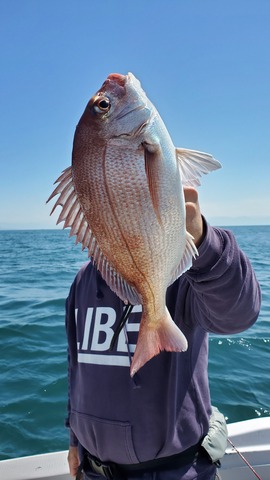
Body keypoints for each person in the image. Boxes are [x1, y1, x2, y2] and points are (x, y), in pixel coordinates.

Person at [65, 187, 261, 480]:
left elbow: (238, 314)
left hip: (178, 472)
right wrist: (74, 442)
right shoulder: (82, 281)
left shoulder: (180, 273)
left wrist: (204, 244)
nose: (113, 215)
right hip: (94, 471)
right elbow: (76, 370)